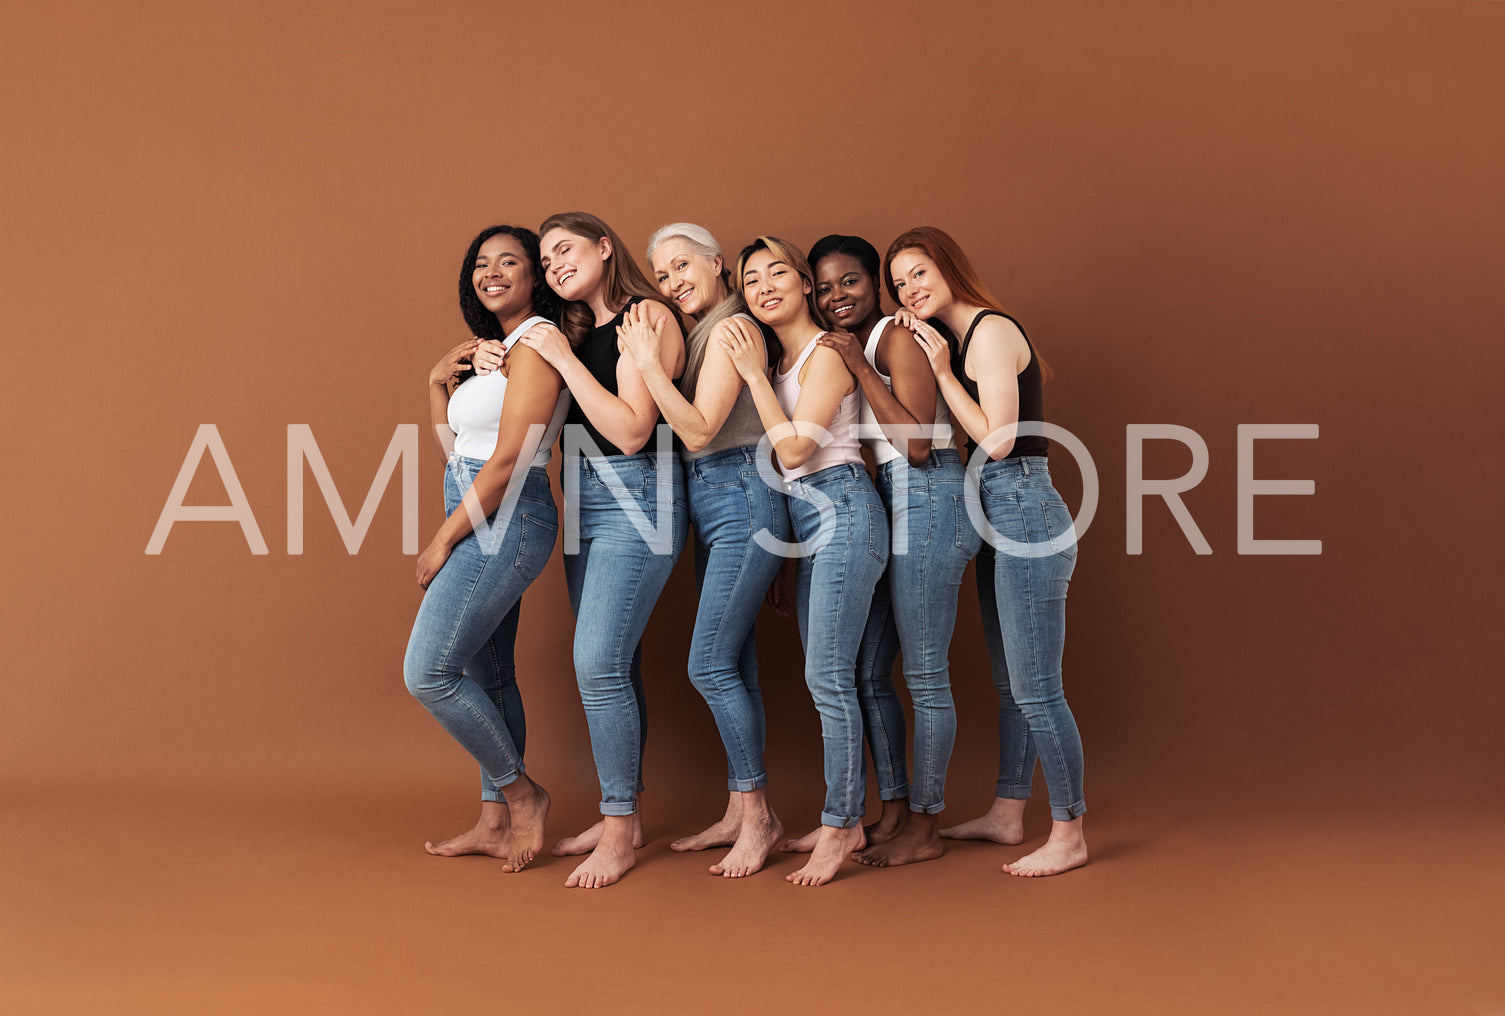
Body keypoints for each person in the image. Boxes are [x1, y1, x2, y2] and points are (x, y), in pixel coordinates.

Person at [886, 226, 1088, 877]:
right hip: (992, 512)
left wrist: (941, 370)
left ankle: (1069, 830)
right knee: (1010, 683)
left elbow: (998, 442)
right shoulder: (956, 337)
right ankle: (1007, 812)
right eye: (899, 282)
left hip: (1024, 507)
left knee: (1036, 688)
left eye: (918, 272)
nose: (908, 289)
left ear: (948, 267)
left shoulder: (991, 330)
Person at [783, 234, 982, 868]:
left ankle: (926, 826)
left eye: (851, 281)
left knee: (924, 675)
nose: (837, 296)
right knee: (869, 670)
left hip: (929, 494)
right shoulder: (856, 344)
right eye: (826, 285)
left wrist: (862, 365)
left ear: (878, 284)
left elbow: (918, 446)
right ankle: (894, 811)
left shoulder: (893, 339)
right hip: (890, 499)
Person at [514, 211, 689, 889]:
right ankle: (622, 812)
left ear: (604, 246)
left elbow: (630, 429)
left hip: (639, 493)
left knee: (597, 661)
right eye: (546, 258)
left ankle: (618, 829)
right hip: (585, 495)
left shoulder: (645, 317)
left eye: (565, 248)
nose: (553, 263)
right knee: (617, 660)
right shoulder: (581, 329)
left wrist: (558, 356)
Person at [612, 223, 789, 878]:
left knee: (708, 663)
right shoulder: (702, 328)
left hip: (739, 493)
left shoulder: (728, 328)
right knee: (734, 661)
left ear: (718, 263)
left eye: (682, 264)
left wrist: (648, 365)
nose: (672, 281)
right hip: (717, 501)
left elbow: (695, 430)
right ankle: (740, 811)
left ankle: (760, 813)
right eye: (661, 274)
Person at [718, 236, 888, 886]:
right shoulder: (789, 359)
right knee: (830, 678)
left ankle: (842, 823)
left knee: (828, 679)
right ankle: (842, 815)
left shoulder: (825, 353)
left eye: (776, 273)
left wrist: (754, 377)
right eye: (750, 278)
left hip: (843, 509)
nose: (762, 286)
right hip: (810, 524)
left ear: (804, 286)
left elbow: (794, 453)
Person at [402, 224, 568, 873]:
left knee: (429, 673)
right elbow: (459, 455)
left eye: (509, 261)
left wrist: (442, 541)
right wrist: (436, 382)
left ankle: (522, 794)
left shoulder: (536, 347)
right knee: (487, 674)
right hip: (472, 499)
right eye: (480, 262)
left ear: (534, 277)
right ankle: (494, 821)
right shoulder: (495, 351)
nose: (491, 271)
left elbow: (507, 462)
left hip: (507, 512)